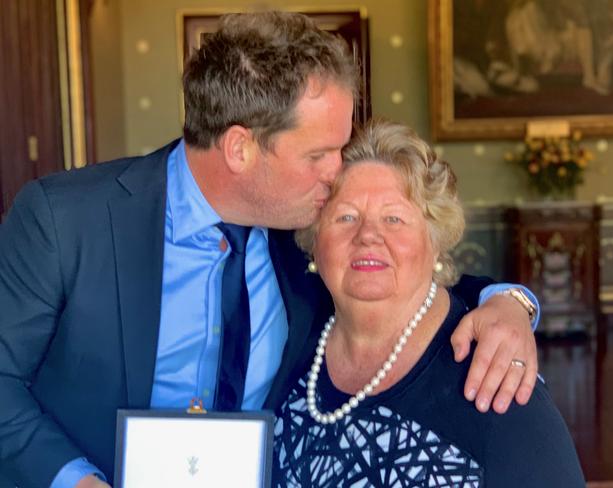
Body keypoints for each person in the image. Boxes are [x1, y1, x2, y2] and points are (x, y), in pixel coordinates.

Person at [0, 12, 539, 488]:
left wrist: (509, 301)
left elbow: (398, 273)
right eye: (320, 154)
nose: (338, 173)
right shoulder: (63, 219)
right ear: (240, 148)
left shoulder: (303, 228)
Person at [273, 119, 584, 487]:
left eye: (394, 218)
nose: (368, 236)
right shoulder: (288, 341)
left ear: (435, 240)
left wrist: (512, 302)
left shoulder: (493, 379)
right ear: (314, 242)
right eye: (346, 217)